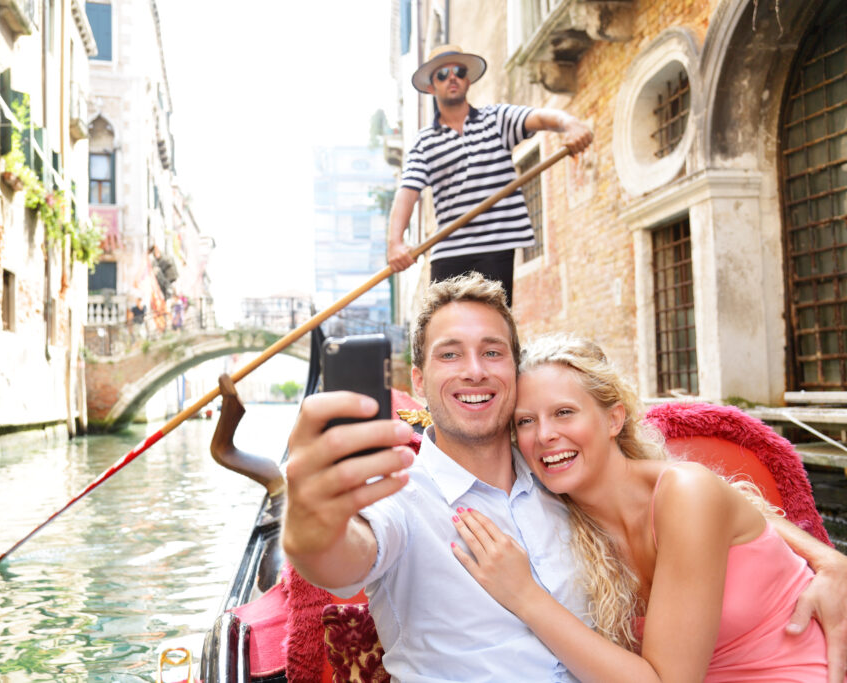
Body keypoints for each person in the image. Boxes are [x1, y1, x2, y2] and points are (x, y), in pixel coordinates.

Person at [281, 272, 847, 682]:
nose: (475, 370)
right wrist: (311, 524)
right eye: (451, 355)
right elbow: (344, 556)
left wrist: (828, 560)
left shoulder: (558, 477)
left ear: (512, 371)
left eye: (493, 352)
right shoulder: (400, 492)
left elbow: (700, 501)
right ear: (420, 379)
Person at [452, 334, 842, 682]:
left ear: (614, 419)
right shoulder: (560, 522)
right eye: (525, 421)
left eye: (564, 412)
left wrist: (524, 597)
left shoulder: (685, 492)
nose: (545, 435)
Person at [386, 45, 594, 305]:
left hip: (496, 246)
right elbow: (407, 192)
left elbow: (540, 118)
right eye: (443, 74)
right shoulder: (424, 141)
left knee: (493, 326)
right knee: (443, 328)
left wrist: (570, 125)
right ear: (431, 87)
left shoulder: (497, 119)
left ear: (468, 80)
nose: (453, 77)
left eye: (459, 71)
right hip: (449, 249)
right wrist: (395, 243)